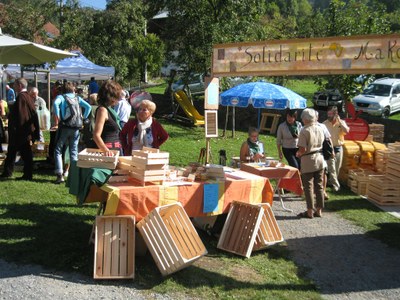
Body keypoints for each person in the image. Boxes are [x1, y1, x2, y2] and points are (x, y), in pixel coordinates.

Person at [1, 78, 39, 181]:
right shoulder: (27, 97)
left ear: (20, 85)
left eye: (15, 84)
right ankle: (8, 172)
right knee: (13, 152)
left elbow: (20, 116)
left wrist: (14, 127)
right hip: (24, 131)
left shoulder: (22, 97)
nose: (13, 86)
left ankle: (26, 174)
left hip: (20, 132)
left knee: (25, 154)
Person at [53, 81, 91, 184]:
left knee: (58, 150)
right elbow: (89, 107)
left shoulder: (61, 97)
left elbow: (55, 104)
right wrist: (84, 117)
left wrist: (58, 116)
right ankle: (73, 176)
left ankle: (59, 175)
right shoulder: (77, 98)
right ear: (72, 89)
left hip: (65, 126)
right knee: (73, 151)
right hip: (76, 127)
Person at [296, 108, 325, 219]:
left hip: (308, 160)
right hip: (320, 158)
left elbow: (302, 149)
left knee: (308, 186)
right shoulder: (320, 128)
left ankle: (309, 211)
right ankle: (319, 210)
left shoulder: (305, 130)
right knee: (319, 186)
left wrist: (298, 154)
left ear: (305, 119)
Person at [93, 80, 123, 155]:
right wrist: (106, 151)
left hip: (116, 149)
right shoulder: (102, 110)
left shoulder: (110, 109)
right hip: (109, 151)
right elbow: (96, 135)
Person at [323, 106, 350, 192]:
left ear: (336, 114)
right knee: (330, 166)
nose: (329, 116)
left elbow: (347, 131)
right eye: (328, 114)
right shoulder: (324, 124)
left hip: (338, 147)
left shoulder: (341, 122)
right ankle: (334, 185)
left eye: (331, 114)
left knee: (337, 167)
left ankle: (331, 182)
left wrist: (340, 122)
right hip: (328, 148)